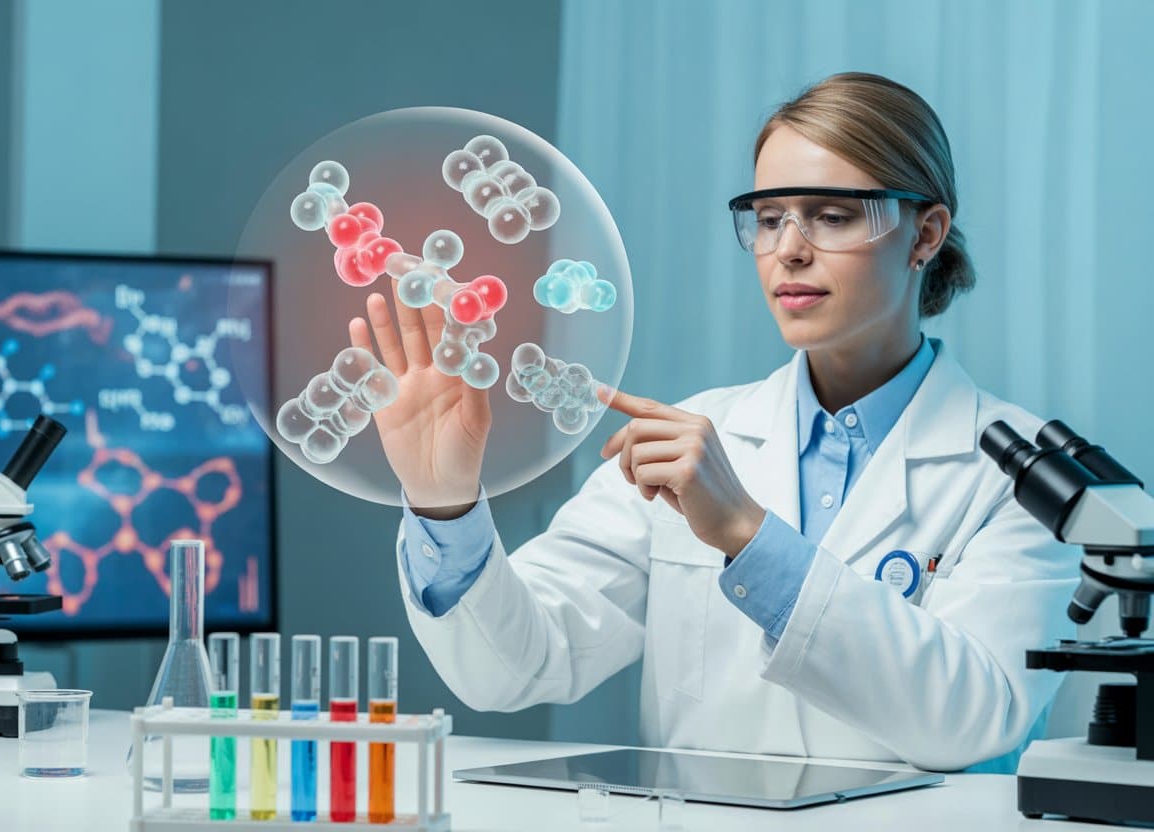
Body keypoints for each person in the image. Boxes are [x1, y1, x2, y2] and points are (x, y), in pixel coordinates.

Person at [346, 72, 1078, 773]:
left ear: (925, 236)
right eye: (767, 219)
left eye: (831, 214)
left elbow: (974, 718)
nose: (789, 248)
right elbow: (517, 664)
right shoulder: (698, 434)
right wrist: (445, 504)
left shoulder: (1026, 478)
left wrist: (748, 539)